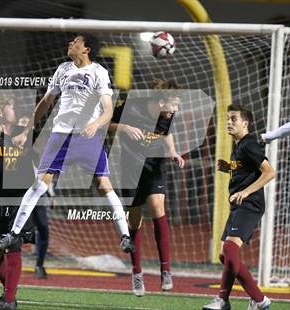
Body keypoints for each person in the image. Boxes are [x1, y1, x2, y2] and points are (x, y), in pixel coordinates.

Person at [0, 33, 134, 253]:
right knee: (39, 185)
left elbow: (107, 110)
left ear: (86, 49)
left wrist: (95, 124)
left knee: (104, 185)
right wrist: (27, 130)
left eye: (76, 42)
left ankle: (125, 235)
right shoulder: (63, 69)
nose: (70, 43)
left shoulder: (99, 72)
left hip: (87, 137)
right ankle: (14, 233)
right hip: (60, 135)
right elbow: (46, 101)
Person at [109, 80, 185, 296]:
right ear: (161, 102)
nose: (176, 110)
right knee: (135, 218)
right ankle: (137, 273)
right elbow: (107, 123)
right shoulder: (131, 106)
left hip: (155, 164)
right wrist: (125, 127)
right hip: (131, 168)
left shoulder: (167, 115)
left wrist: (173, 151)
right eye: (174, 105)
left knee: (157, 207)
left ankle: (166, 269)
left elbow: (166, 133)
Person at [202, 104, 275, 310]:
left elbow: (269, 172)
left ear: (246, 123)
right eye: (228, 119)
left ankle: (257, 300)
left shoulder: (249, 143)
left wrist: (246, 192)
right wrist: (229, 168)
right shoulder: (240, 145)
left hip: (249, 204)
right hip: (239, 204)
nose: (229, 122)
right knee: (225, 255)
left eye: (234, 119)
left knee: (230, 249)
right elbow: (247, 169)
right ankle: (229, 300)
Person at [0, 94, 38, 310]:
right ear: (0, 112)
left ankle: (8, 300)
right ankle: (10, 293)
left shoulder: (22, 133)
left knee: (13, 244)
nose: (16, 110)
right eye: (12, 107)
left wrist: (27, 133)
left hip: (21, 198)